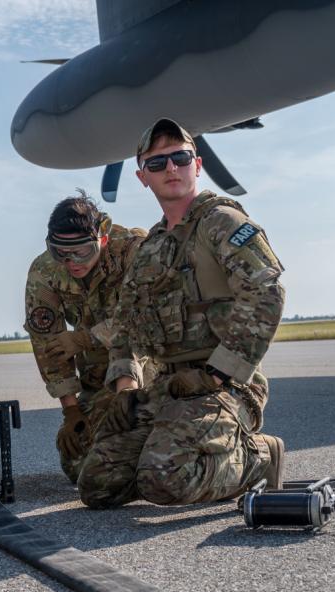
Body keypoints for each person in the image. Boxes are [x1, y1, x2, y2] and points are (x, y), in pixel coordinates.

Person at [78, 118, 286, 508]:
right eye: (157, 163)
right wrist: (126, 387)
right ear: (143, 177)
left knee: (164, 481)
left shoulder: (221, 222)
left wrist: (219, 372)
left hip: (224, 385)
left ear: (198, 165)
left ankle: (259, 456)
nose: (170, 168)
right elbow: (125, 325)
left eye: (180, 157)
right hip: (168, 387)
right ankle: (175, 450)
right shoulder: (150, 247)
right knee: (96, 485)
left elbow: (266, 293)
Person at [24, 191, 146, 483]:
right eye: (61, 254)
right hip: (98, 379)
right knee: (77, 465)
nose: (72, 262)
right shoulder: (45, 271)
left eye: (82, 252)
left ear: (102, 238)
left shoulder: (134, 252)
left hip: (148, 369)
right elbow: (47, 343)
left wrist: (83, 339)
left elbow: (143, 318)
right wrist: (72, 411)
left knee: (145, 452)